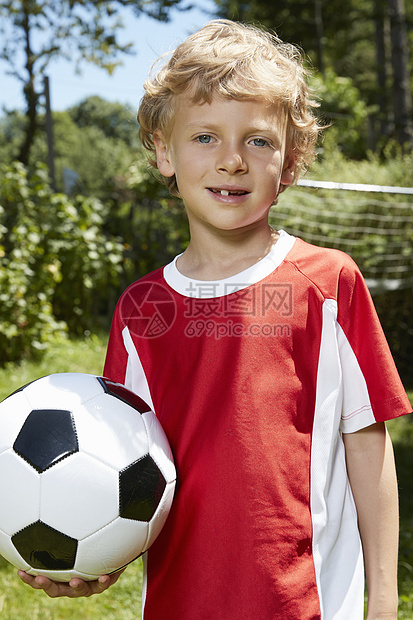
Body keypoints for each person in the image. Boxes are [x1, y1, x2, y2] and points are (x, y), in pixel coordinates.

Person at [19, 19, 411, 620]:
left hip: (310, 606)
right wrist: (97, 556)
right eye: (205, 137)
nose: (232, 161)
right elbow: (127, 470)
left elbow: (367, 446)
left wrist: (384, 604)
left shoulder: (327, 284)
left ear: (292, 159)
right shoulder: (142, 310)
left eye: (258, 141)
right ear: (163, 151)